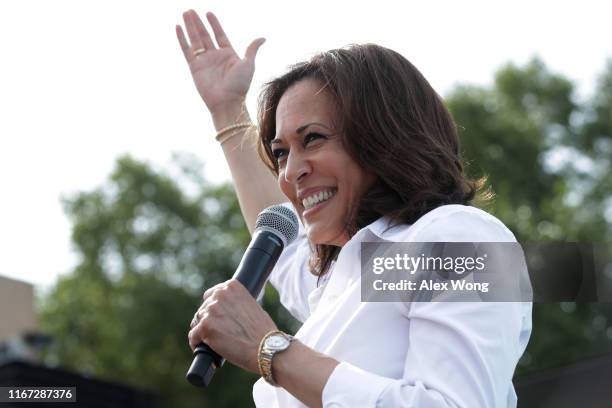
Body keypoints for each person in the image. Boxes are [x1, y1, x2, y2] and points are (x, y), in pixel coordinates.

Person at [177, 10, 532, 408]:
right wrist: (227, 111)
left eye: (312, 139)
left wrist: (271, 349)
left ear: (383, 135)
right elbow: (286, 247)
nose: (290, 172)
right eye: (280, 154)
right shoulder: (344, 282)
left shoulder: (457, 235)